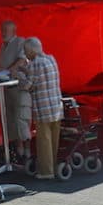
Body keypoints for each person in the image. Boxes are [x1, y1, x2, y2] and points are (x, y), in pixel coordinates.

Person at [14, 37, 63, 180]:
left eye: (25, 51)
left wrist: (18, 77)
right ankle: (52, 166)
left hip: (43, 109)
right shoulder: (50, 59)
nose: (25, 54)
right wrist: (25, 69)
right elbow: (38, 76)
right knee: (53, 140)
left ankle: (46, 172)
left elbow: (29, 85)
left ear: (31, 50)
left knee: (44, 142)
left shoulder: (35, 63)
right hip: (56, 106)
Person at [0, 20, 29, 163]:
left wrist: (8, 70)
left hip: (18, 87)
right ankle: (18, 151)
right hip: (6, 88)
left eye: (6, 30)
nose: (3, 32)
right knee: (11, 121)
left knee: (20, 120)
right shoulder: (3, 46)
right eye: (2, 29)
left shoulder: (20, 42)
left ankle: (27, 153)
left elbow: (22, 60)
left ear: (14, 31)